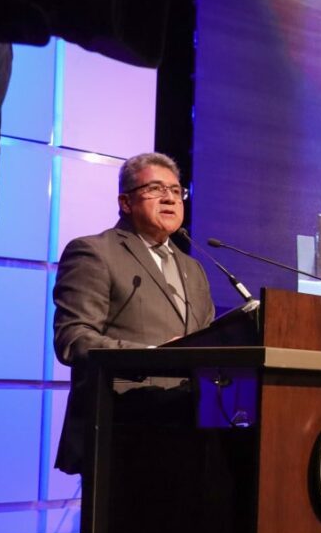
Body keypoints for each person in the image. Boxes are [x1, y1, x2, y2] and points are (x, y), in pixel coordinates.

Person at [53, 152, 215, 475]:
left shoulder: (194, 269)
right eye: (155, 189)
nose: (169, 198)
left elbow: (208, 340)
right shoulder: (94, 252)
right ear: (125, 202)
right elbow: (74, 339)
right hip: (121, 427)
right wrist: (154, 356)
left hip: (189, 429)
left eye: (176, 190)